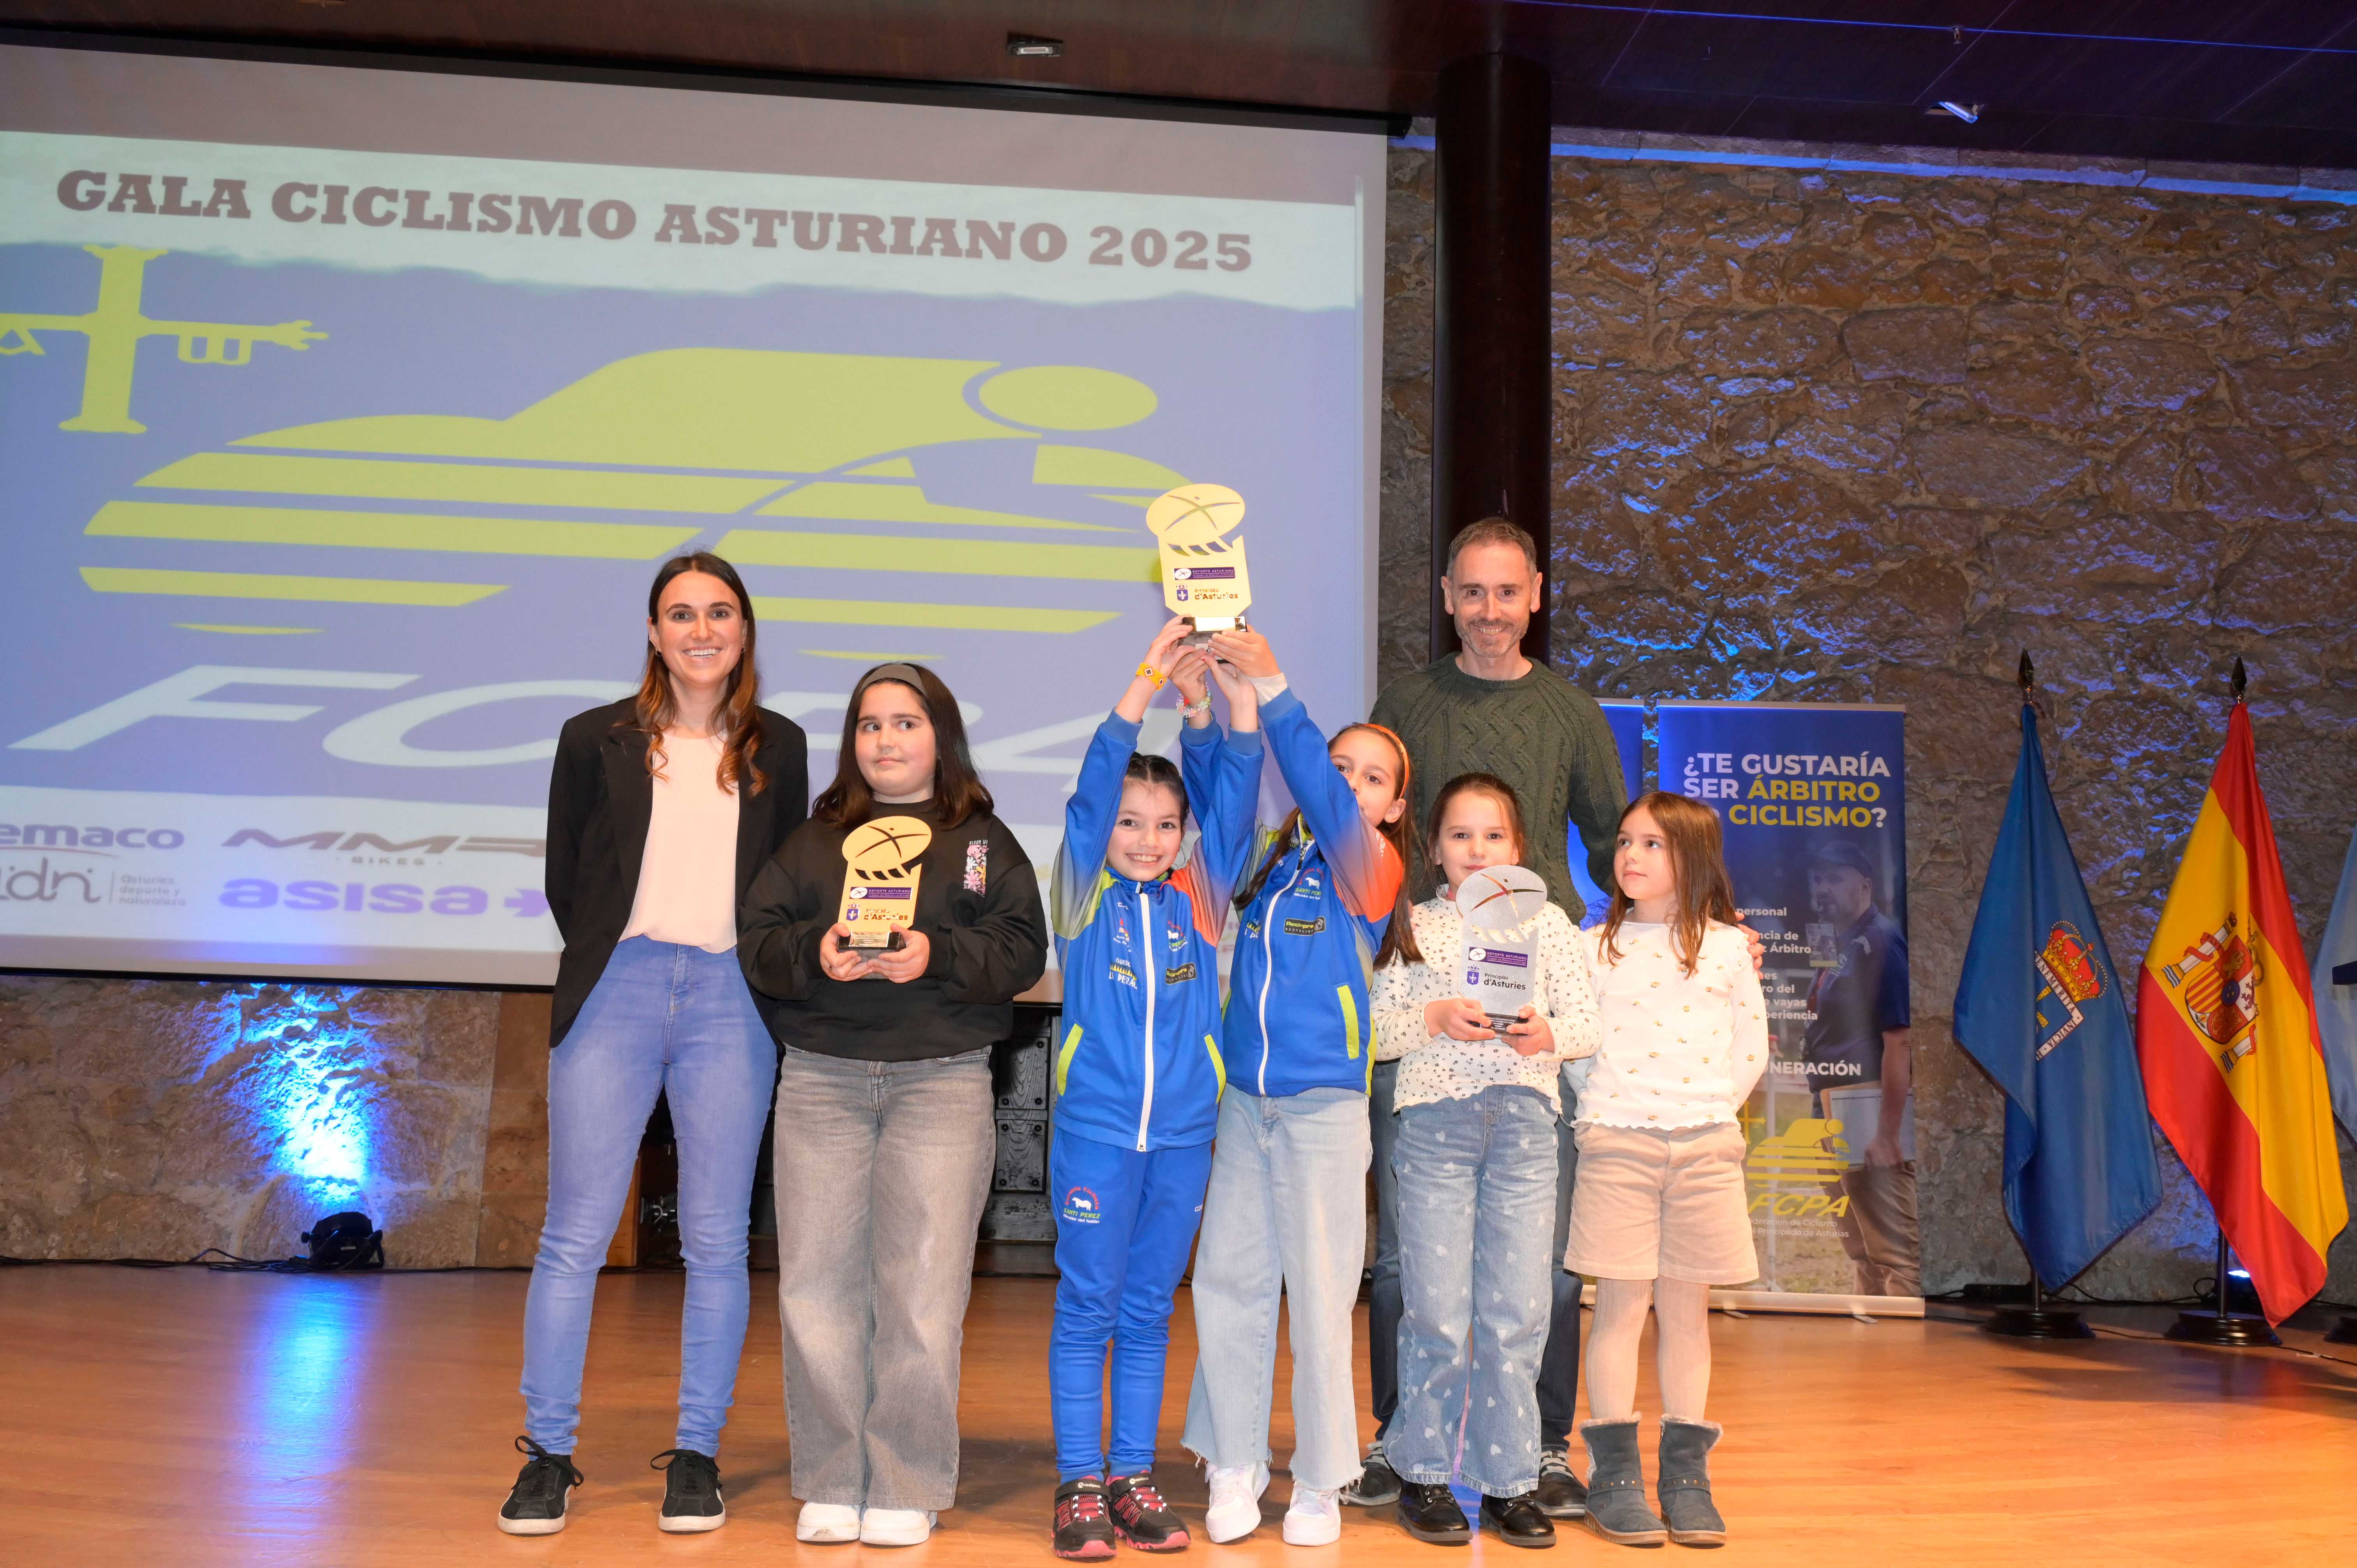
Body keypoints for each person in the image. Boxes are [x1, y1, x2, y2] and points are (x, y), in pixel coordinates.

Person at [501, 552, 809, 1537]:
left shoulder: (780, 744)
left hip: (731, 999)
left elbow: (785, 883)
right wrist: (623, 953)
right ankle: (548, 1454)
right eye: (681, 613)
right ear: (653, 631)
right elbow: (569, 877)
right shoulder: (593, 737)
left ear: (745, 629)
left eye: (720, 612)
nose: (701, 629)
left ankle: (697, 1453)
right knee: (575, 1233)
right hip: (617, 989)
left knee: (718, 1238)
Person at [738, 662, 1049, 1548]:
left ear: (940, 735)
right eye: (869, 724)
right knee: (817, 1289)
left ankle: (907, 1479)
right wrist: (816, 949)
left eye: (905, 722)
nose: (885, 739)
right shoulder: (813, 839)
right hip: (822, 1080)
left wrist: (935, 953)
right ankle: (833, 1478)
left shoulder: (982, 839)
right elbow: (758, 938)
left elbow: (1022, 947)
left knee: (921, 1294)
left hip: (941, 1080)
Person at [1356, 517, 1627, 1517]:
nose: (1490, 610)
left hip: (1530, 1025)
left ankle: (1539, 1448)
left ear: (1537, 594)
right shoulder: (1407, 704)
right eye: (1472, 591)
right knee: (1405, 1263)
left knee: (1539, 1268)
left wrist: (1694, 919)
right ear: (1446, 595)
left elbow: (1615, 841)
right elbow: (1369, 823)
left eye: (1507, 591)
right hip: (1426, 997)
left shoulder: (1571, 711)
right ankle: (1404, 1443)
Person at [1180, 627, 1413, 1548]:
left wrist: (1274, 681)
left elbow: (1309, 782)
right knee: (1229, 1281)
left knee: (1319, 1295)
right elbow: (1222, 804)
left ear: (1394, 807)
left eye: (1370, 775)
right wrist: (1220, 711)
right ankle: (1233, 1457)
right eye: (1339, 766)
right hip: (1246, 1102)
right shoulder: (1272, 868)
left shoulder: (1373, 869)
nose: (1346, 782)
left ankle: (1320, 1476)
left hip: (1324, 1109)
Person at [1042, 620, 1264, 1559]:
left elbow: (1239, 800)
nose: (1145, 837)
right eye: (1130, 821)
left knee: (1146, 1309)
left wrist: (1232, 699)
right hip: (1097, 1132)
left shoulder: (1199, 899)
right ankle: (1078, 1482)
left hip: (1180, 1137)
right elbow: (1092, 789)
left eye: (1166, 823)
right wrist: (1144, 682)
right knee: (1088, 1304)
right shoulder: (1081, 893)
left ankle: (1131, 1476)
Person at [1370, 773, 1599, 1548]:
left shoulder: (1550, 923)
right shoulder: (1412, 923)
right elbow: (1375, 1030)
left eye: (1493, 834)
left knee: (1518, 1311)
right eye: (1460, 834)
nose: (1477, 848)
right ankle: (1423, 1470)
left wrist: (1547, 1033)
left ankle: (1507, 1479)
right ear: (1433, 848)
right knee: (1436, 1308)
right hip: (1436, 1125)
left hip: (1526, 1129)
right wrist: (1433, 1015)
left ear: (1518, 847)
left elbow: (1586, 1022)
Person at [1566, 793, 1767, 1549]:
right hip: (1617, 1142)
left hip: (1704, 1146)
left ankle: (1686, 1477)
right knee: (1619, 1308)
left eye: (1652, 843)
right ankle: (1614, 1476)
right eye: (1625, 840)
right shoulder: (1594, 946)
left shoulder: (1728, 947)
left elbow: (1751, 1044)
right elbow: (1577, 1045)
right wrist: (1610, 1107)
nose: (1631, 855)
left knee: (1687, 1311)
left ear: (1692, 855)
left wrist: (1706, 1108)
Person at [1800, 839, 1919, 1298]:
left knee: (1893, 1250)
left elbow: (1900, 1040)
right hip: (1828, 1103)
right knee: (1860, 1246)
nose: (1823, 887)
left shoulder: (1882, 942)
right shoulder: (1836, 940)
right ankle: (1871, 1328)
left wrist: (1887, 1134)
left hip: (1864, 1101)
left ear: (1866, 885)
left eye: (1835, 877)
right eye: (1818, 878)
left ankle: (1901, 1339)